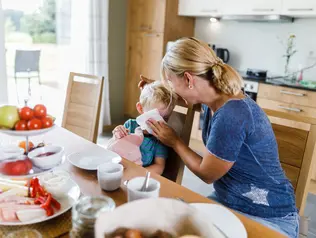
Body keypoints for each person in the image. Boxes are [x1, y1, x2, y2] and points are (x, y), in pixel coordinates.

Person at [146, 37, 299, 237]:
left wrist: (175, 142)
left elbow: (207, 174)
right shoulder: (215, 99)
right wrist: (154, 89)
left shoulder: (231, 114)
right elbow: (180, 95)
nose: (172, 89)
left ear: (189, 80)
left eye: (171, 82)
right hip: (230, 202)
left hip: (269, 218)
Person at [111, 80, 177, 175]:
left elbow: (159, 167)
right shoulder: (130, 125)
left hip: (140, 178)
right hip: (119, 170)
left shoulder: (161, 139)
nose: (159, 123)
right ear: (141, 108)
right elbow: (115, 147)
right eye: (156, 116)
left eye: (165, 118)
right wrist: (117, 132)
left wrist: (135, 173)